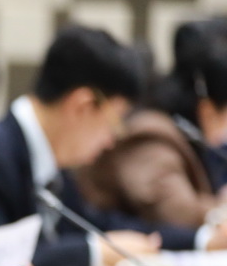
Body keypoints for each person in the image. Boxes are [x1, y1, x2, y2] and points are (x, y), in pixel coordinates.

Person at [0, 25, 185, 266]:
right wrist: (94, 252)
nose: (109, 142)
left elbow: (96, 225)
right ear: (83, 105)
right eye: (113, 125)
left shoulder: (50, 161)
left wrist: (198, 238)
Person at [78, 19, 227, 231]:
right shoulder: (149, 133)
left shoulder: (191, 135)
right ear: (208, 110)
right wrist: (219, 209)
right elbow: (177, 214)